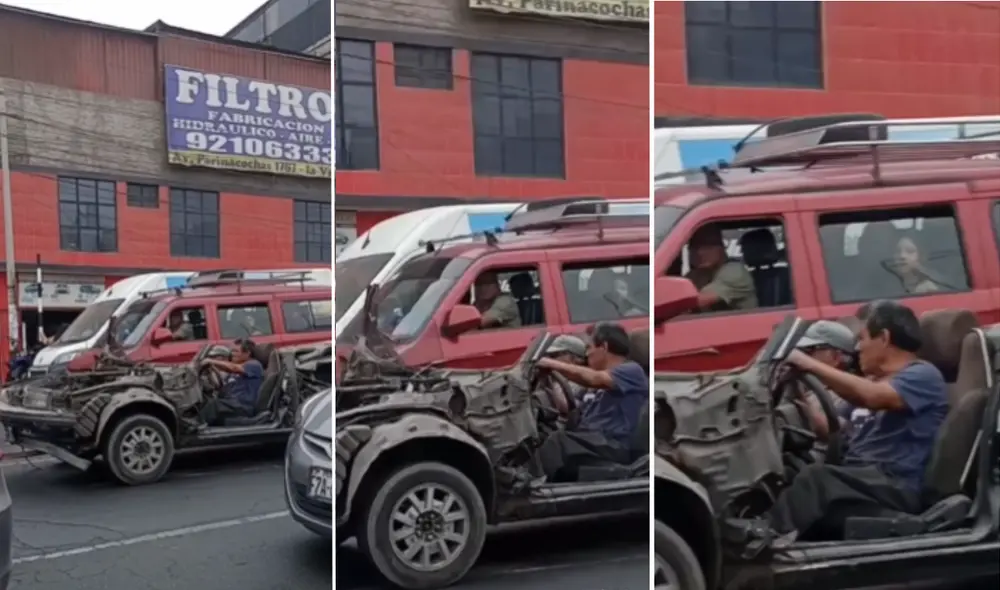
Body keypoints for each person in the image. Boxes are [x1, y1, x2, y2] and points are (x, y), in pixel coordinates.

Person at [757, 300, 948, 541]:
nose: (858, 347)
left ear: (885, 338)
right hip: (862, 476)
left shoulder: (922, 375)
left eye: (863, 338)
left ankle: (763, 541)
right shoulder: (874, 382)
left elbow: (872, 397)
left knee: (817, 479)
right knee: (791, 468)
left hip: (894, 482)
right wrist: (797, 388)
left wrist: (808, 363)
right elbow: (835, 430)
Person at [529, 322, 648, 481]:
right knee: (543, 435)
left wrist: (552, 363)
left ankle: (531, 488)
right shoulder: (597, 386)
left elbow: (594, 379)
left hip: (612, 443)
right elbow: (568, 406)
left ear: (604, 347)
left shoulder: (631, 371)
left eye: (589, 347)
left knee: (558, 442)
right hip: (592, 440)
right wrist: (548, 380)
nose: (587, 354)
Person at [786, 320, 858, 441]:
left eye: (810, 349)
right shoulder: (810, 387)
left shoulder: (849, 398)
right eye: (801, 350)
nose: (804, 356)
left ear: (836, 357)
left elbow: (843, 436)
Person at [684, 225, 758, 312]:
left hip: (743, 325)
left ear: (721, 248)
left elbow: (700, 300)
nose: (700, 253)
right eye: (694, 248)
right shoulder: (698, 274)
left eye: (708, 247)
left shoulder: (735, 271)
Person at [198, 339, 265, 425]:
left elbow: (233, 368)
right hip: (232, 404)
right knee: (206, 402)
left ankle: (196, 428)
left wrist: (210, 361)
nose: (232, 354)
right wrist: (211, 367)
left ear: (247, 353)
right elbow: (225, 376)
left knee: (214, 405)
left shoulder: (254, 365)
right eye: (232, 351)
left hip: (242, 405)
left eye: (236, 351)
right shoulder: (240, 366)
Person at [538, 334, 589, 415]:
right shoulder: (563, 377)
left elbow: (565, 406)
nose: (551, 359)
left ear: (574, 358)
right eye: (550, 356)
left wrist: (555, 379)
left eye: (555, 355)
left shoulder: (582, 382)